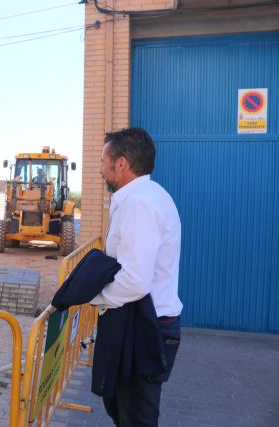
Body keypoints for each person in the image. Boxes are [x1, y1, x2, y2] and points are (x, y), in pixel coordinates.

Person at [90, 127, 183, 427]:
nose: (100, 168)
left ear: (121, 164)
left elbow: (135, 281)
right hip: (140, 323)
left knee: (135, 417)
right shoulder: (144, 197)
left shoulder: (140, 203)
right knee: (120, 406)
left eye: (104, 160)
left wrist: (94, 296)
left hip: (144, 328)